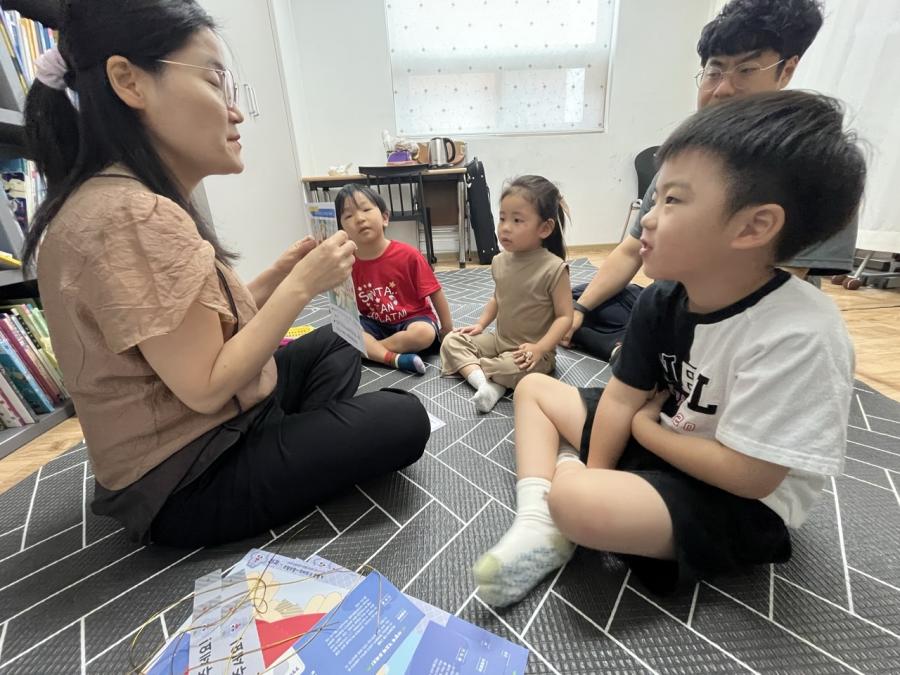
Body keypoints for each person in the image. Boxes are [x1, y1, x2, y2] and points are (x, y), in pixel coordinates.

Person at [23, 0, 429, 548]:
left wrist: (279, 274)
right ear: (129, 81)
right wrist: (301, 285)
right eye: (215, 82)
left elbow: (203, 329)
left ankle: (302, 453)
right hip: (188, 477)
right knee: (404, 416)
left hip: (221, 423)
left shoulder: (120, 201)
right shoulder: (134, 216)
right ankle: (300, 459)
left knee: (337, 342)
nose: (235, 112)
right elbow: (207, 386)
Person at [473, 90, 864, 607]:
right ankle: (539, 522)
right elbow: (620, 398)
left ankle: (567, 496)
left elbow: (750, 476)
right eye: (653, 200)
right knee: (534, 392)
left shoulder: (800, 333)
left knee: (575, 496)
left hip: (735, 498)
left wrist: (641, 435)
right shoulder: (661, 299)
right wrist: (601, 469)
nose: (648, 219)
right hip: (668, 434)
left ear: (754, 226)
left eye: (672, 200)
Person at [563, 0, 855, 360]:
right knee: (566, 301)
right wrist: (579, 311)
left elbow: (780, 281)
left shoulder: (811, 162)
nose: (723, 89)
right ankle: (636, 349)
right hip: (675, 302)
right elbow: (631, 249)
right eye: (715, 71)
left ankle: (642, 354)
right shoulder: (690, 156)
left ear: (787, 70)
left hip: (746, 325)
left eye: (746, 70)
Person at [440, 176, 572, 413]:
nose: (505, 227)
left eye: (517, 220)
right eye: (502, 218)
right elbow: (497, 298)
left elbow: (565, 317)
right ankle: (486, 384)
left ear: (544, 228)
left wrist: (541, 348)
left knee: (512, 368)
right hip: (499, 342)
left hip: (531, 354)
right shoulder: (500, 261)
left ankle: (486, 377)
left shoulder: (554, 268)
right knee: (452, 340)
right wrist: (481, 325)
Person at [335, 184, 453, 375]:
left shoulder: (408, 254)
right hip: (373, 323)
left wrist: (447, 329)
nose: (359, 218)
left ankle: (373, 351)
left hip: (412, 319)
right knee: (342, 332)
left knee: (424, 333)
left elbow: (435, 292)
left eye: (366, 209)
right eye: (348, 216)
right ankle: (394, 358)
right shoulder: (347, 263)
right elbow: (342, 305)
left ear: (385, 218)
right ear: (342, 230)